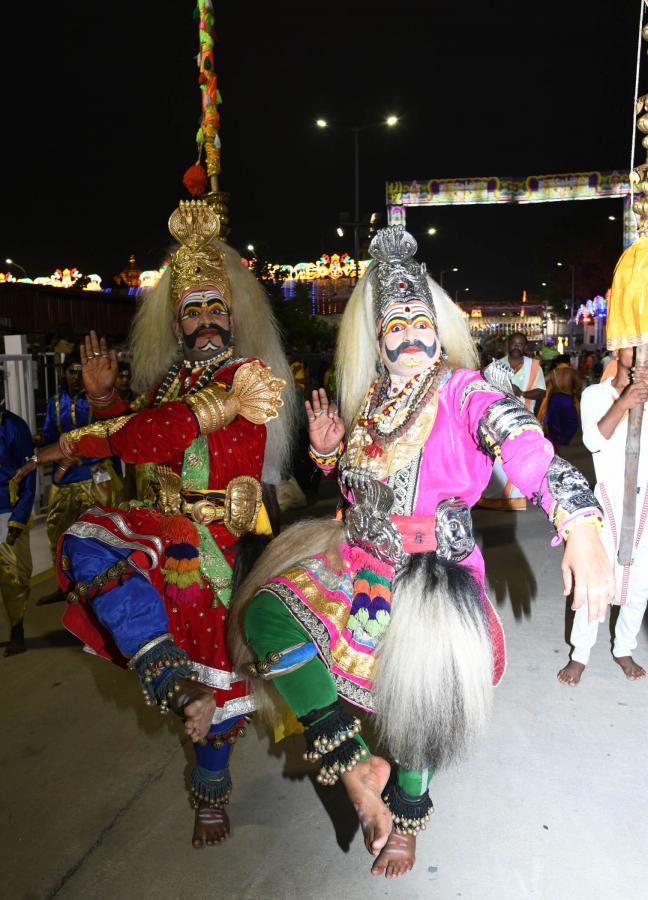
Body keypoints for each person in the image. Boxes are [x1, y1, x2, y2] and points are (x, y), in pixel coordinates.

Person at [227, 227, 614, 880]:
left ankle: (406, 815)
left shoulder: (462, 392)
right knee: (266, 615)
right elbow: (356, 488)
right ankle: (355, 770)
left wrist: (577, 517)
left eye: (418, 320)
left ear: (437, 327)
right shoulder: (374, 402)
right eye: (394, 325)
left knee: (416, 712)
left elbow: (517, 436)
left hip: (434, 575)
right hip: (360, 561)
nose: (409, 334)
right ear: (376, 340)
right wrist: (329, 452)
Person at [19, 200, 293, 848]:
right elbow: (142, 443)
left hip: (213, 558)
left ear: (233, 318)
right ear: (178, 322)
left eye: (214, 309)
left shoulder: (244, 379)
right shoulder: (172, 381)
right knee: (86, 544)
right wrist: (105, 399)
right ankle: (171, 681)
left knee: (220, 699)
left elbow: (150, 437)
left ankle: (210, 794)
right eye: (192, 311)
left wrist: (79, 439)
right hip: (160, 539)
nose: (204, 321)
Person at [558, 348, 648, 686]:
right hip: (608, 502)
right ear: (619, 348)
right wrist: (625, 403)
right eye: (635, 344)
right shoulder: (596, 394)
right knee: (595, 580)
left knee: (640, 585)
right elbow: (594, 441)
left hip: (646, 504)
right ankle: (580, 654)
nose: (643, 352)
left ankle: (624, 648)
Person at [41, 351, 121, 565]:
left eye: (79, 371)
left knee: (102, 527)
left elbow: (108, 436)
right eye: (71, 371)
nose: (75, 377)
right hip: (64, 476)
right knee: (58, 530)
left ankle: (104, 578)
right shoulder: (54, 403)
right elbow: (49, 436)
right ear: (64, 373)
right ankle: (65, 582)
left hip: (96, 471)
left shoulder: (97, 400)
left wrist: (83, 456)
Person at [479, 332, 546, 509]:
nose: (516, 346)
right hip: (499, 419)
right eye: (513, 343)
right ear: (508, 345)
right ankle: (494, 498)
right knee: (498, 459)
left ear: (525, 347)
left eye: (520, 344)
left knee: (518, 458)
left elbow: (541, 392)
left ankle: (515, 499)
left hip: (524, 420)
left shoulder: (534, 367)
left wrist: (521, 393)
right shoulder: (496, 365)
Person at [0, 399, 35, 656]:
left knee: (13, 576)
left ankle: (17, 631)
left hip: (7, 511)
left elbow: (29, 474)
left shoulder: (13, 426)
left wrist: (19, 517)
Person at [537, 354, 582, 451]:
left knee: (554, 421)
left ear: (557, 362)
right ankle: (565, 440)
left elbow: (541, 382)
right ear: (568, 362)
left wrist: (549, 389)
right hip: (567, 399)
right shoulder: (572, 372)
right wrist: (575, 393)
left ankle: (556, 441)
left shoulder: (553, 372)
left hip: (555, 399)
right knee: (571, 421)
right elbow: (579, 385)